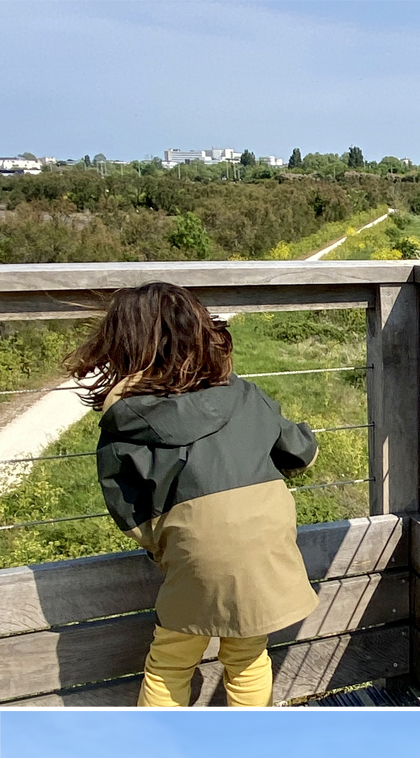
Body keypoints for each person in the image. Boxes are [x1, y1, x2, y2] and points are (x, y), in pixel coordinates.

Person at [65, 282, 319, 707]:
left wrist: (164, 544)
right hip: (264, 547)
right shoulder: (244, 395)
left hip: (192, 551)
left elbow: (125, 507)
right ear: (200, 331)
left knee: (170, 659)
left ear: (122, 344)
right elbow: (301, 454)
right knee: (248, 654)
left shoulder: (123, 421)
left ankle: (159, 749)